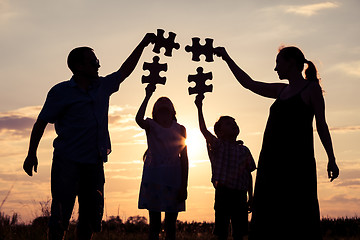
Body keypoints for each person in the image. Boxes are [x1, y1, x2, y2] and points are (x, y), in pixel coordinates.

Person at [23, 32, 155, 240]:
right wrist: (31, 154)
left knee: (90, 219)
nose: (98, 65)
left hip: (94, 163)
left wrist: (144, 43)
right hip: (67, 161)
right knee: (60, 216)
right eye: (93, 62)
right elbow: (41, 122)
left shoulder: (103, 87)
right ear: (78, 66)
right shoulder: (60, 92)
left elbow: (125, 70)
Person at [214, 46, 340, 239]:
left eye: (278, 63)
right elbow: (249, 83)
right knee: (268, 214)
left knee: (297, 213)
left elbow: (321, 125)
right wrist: (227, 58)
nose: (275, 69)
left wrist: (331, 158)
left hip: (297, 163)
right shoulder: (281, 90)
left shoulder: (311, 89)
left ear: (290, 63)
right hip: (271, 163)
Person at [194, 94, 256, 240]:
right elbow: (203, 129)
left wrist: (251, 196)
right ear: (219, 132)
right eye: (228, 123)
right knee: (221, 231)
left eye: (234, 122)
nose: (233, 124)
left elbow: (249, 175)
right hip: (223, 193)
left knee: (239, 232)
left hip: (240, 195)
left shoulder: (244, 150)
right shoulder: (218, 146)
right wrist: (199, 107)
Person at [136, 84, 189, 240]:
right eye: (160, 102)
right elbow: (138, 119)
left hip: (174, 179)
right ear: (154, 112)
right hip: (153, 180)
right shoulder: (151, 125)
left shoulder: (180, 129)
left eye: (167, 102)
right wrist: (147, 95)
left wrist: (184, 186)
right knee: (154, 225)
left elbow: (184, 159)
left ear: (173, 112)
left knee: (171, 225)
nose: (163, 101)